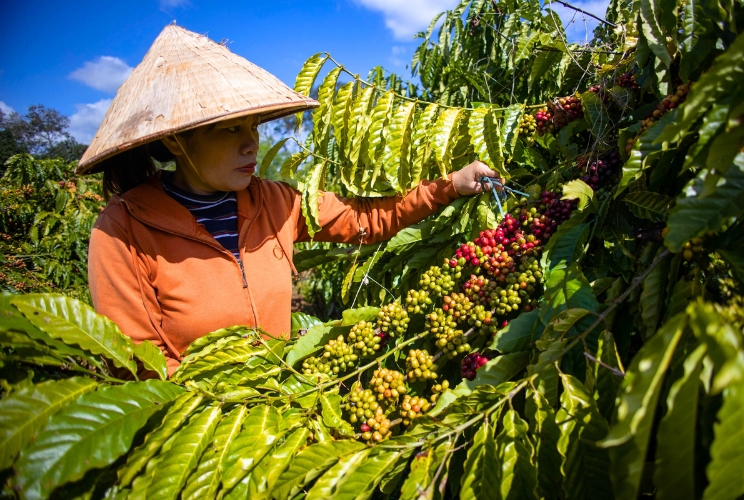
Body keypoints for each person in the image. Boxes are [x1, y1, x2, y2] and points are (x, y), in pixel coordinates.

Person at [79, 25, 501, 376]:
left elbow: (365, 220)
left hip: (285, 406)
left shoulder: (276, 202)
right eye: (228, 130)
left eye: (252, 127)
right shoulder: (125, 229)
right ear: (174, 139)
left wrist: (449, 185)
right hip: (200, 431)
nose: (250, 144)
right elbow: (139, 363)